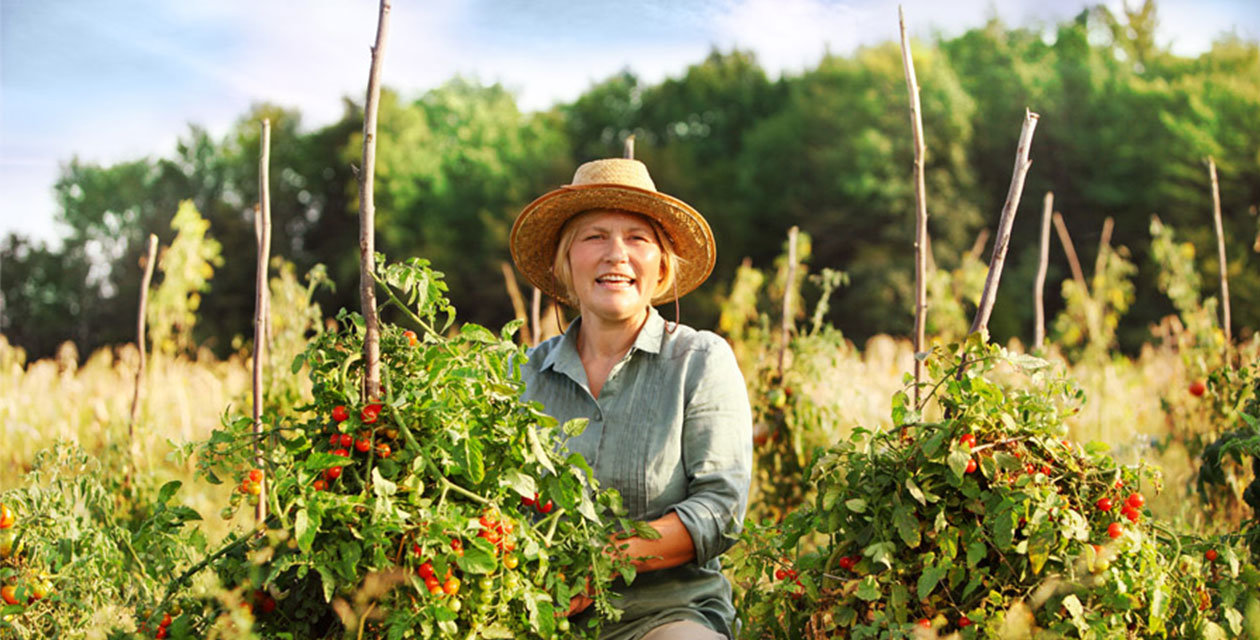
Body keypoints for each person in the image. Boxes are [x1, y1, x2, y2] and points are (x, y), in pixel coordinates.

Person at [509, 157, 753, 640]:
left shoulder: (699, 361)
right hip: (535, 616)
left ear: (661, 263)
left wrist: (598, 563)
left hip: (666, 614)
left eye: (637, 238)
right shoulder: (521, 376)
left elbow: (719, 510)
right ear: (566, 261)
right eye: (594, 236)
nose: (616, 254)